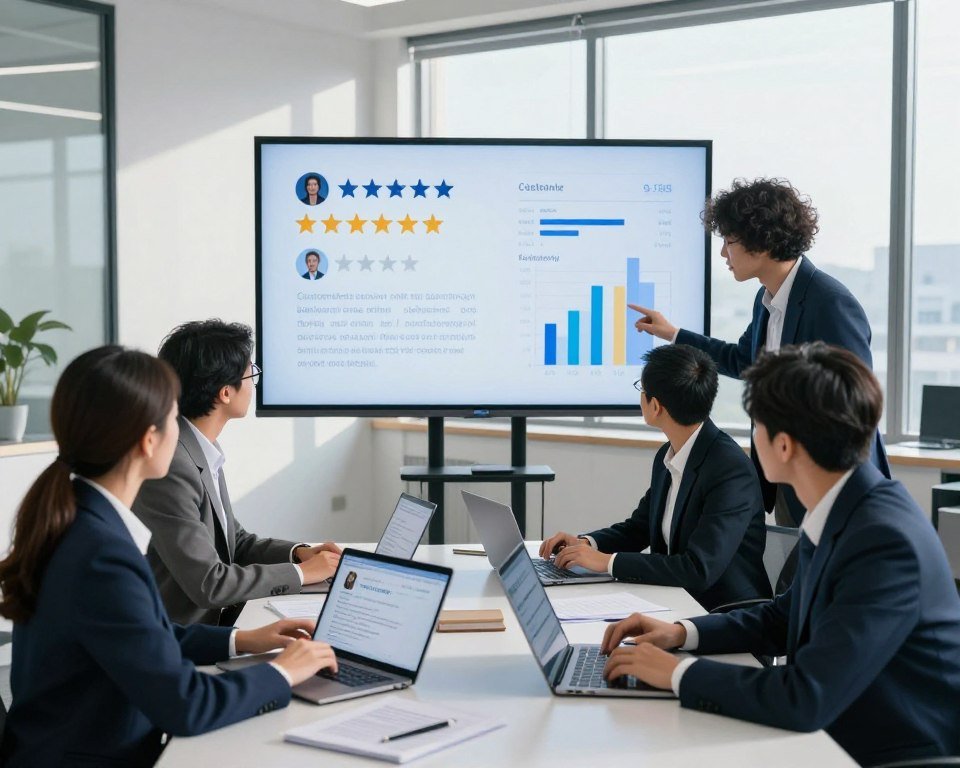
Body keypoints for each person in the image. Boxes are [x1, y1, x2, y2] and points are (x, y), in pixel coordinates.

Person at [601, 343, 960, 767]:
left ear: (784, 445)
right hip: (840, 731)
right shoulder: (843, 505)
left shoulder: (883, 541)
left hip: (886, 753)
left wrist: (675, 673)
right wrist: (680, 634)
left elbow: (805, 697)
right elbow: (780, 617)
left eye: (756, 426)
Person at [0, 346, 339, 767]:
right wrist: (282, 673)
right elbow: (186, 704)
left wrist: (242, 640)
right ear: (148, 440)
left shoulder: (79, 519)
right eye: (172, 416)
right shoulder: (100, 555)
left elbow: (143, 635)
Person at [629, 177, 890, 525]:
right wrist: (673, 334)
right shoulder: (766, 299)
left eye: (729, 241)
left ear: (761, 243)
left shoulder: (830, 303)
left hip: (834, 489)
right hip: (788, 480)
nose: (723, 253)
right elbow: (743, 360)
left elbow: (853, 409)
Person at [133, 320, 341, 625]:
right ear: (225, 393)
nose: (254, 383)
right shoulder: (173, 463)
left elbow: (235, 543)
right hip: (186, 641)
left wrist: (299, 554)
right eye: (250, 373)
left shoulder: (198, 447)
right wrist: (302, 574)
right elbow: (210, 583)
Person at [539, 344, 769, 612]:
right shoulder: (669, 454)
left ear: (656, 406)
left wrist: (607, 562)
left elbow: (698, 569)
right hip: (676, 601)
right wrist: (587, 544)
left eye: (642, 390)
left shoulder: (729, 469)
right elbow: (638, 528)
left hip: (725, 613)